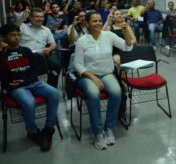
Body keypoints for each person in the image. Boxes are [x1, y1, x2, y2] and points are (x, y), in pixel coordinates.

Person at [74, 11, 133, 150]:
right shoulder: (82, 41)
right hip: (87, 75)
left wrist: (125, 31)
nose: (98, 23)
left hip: (106, 73)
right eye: (94, 21)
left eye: (100, 20)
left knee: (117, 92)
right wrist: (94, 78)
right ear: (87, 23)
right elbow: (78, 65)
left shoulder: (108, 35)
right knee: (93, 94)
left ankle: (109, 128)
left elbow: (127, 46)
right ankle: (98, 132)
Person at [0, 23, 59, 152]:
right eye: (12, 35)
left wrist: (24, 80)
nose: (16, 38)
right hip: (16, 88)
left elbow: (34, 71)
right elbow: (4, 79)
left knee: (54, 93)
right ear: (3, 38)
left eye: (18, 35)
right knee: (29, 102)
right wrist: (11, 84)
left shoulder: (26, 51)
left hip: (33, 83)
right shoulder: (2, 55)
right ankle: (33, 132)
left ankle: (49, 129)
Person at [16, 8, 62, 88]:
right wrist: (22, 18)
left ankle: (51, 87)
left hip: (42, 54)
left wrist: (49, 49)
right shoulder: (23, 27)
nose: (40, 19)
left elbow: (53, 44)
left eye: (41, 17)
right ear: (30, 17)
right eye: (37, 16)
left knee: (56, 65)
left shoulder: (46, 30)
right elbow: (11, 30)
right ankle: (27, 86)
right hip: (25, 55)